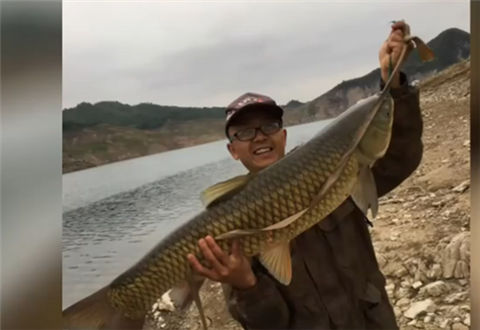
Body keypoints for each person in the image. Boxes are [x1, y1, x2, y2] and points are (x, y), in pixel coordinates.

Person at [187, 20, 423, 329]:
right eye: (245, 132)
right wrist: (246, 285)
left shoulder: (333, 169)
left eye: (269, 127)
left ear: (283, 136)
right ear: (233, 151)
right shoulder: (230, 222)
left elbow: (400, 158)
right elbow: (271, 324)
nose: (259, 136)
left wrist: (392, 84)